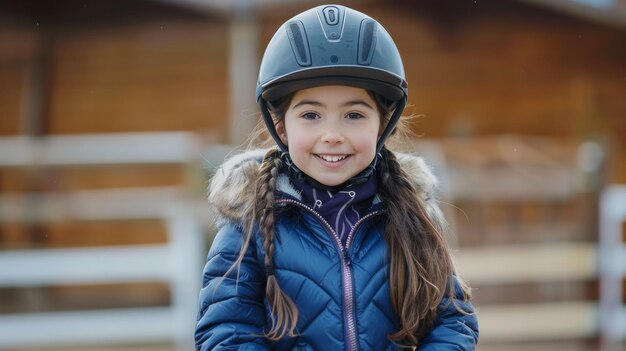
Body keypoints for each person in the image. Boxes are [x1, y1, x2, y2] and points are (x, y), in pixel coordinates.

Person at [195, 4, 478, 350]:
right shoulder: (248, 221)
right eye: (311, 114)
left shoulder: (410, 215)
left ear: (382, 125)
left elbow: (453, 319)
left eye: (354, 114)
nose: (332, 134)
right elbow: (225, 332)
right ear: (282, 126)